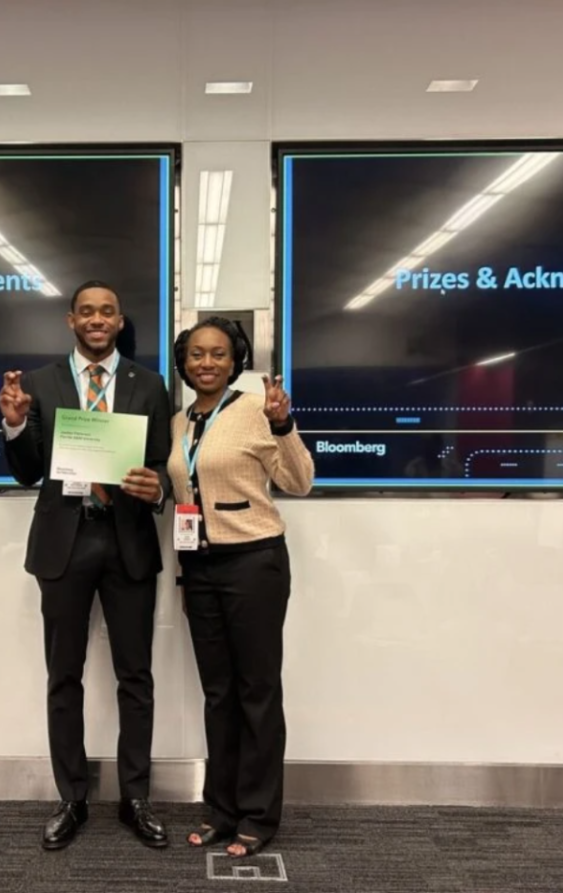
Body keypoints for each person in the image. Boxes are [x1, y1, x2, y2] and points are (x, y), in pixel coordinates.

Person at [0, 280, 172, 851]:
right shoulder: (41, 385)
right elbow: (27, 473)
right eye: (87, 312)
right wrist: (16, 426)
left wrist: (157, 487)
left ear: (120, 322)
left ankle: (135, 798)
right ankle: (72, 798)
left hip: (127, 543)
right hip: (65, 545)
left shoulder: (149, 386)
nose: (98, 320)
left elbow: (161, 468)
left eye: (108, 312)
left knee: (136, 677)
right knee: (63, 676)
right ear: (71, 320)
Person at [168, 316, 314, 857]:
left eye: (219, 354)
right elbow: (186, 500)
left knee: (256, 692)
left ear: (236, 361)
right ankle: (221, 810)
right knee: (218, 695)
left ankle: (258, 815)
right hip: (200, 568)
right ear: (184, 362)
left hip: (254, 563)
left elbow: (300, 481)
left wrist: (284, 425)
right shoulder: (180, 422)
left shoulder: (257, 409)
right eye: (197, 354)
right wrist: (185, 571)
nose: (207, 363)